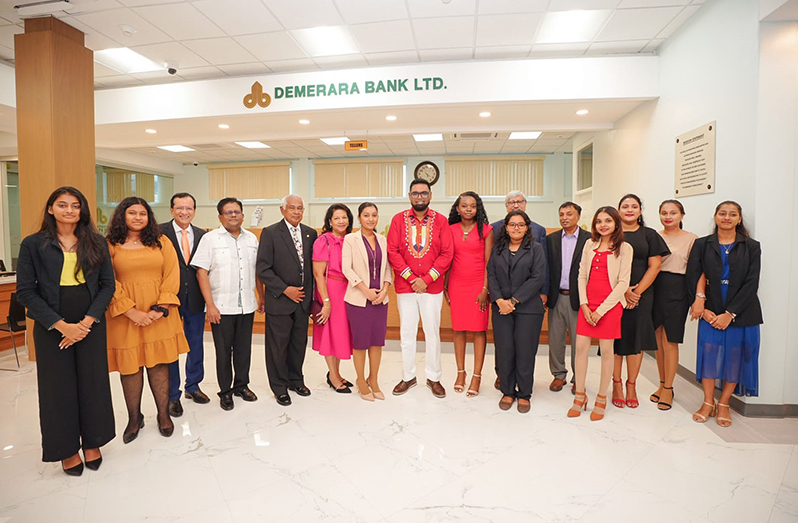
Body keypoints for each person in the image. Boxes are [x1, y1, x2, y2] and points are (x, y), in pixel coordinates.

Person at [17, 187, 116, 476]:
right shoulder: (33, 244)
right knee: (56, 388)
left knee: (93, 383)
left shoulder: (96, 242)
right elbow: (26, 290)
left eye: (75, 205)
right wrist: (62, 326)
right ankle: (66, 449)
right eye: (62, 205)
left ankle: (93, 442)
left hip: (90, 321)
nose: (69, 210)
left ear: (82, 210)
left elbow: (107, 285)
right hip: (51, 323)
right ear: (51, 209)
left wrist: (85, 324)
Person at [105, 197, 189, 444]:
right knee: (130, 368)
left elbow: (172, 274)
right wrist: (131, 311)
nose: (138, 217)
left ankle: (163, 415)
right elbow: (107, 280)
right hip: (124, 316)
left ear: (149, 217)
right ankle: (134, 418)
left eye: (143, 213)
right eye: (132, 213)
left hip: (159, 314)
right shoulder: (111, 244)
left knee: (159, 364)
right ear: (122, 216)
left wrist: (160, 307)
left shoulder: (162, 242)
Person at [687, 201, 762, 428]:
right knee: (709, 355)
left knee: (735, 358)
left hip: (742, 313)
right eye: (722, 213)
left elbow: (752, 283)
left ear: (739, 219)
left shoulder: (751, 246)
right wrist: (703, 306)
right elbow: (692, 276)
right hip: (710, 310)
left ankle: (724, 403)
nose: (726, 217)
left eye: (732, 214)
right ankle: (708, 401)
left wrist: (730, 314)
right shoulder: (702, 244)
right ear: (715, 217)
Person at [192, 197, 264, 411]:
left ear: (242, 215)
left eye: (237, 212)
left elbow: (257, 271)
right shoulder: (210, 239)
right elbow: (201, 272)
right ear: (220, 216)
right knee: (223, 351)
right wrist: (210, 305)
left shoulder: (251, 239)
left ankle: (242, 385)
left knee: (244, 350)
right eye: (229, 212)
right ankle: (225, 391)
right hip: (221, 307)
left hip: (247, 305)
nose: (234, 215)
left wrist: (261, 296)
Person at [387, 179, 453, 398]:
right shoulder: (398, 220)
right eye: (415, 193)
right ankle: (408, 377)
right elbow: (393, 251)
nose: (420, 197)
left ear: (430, 195)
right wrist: (411, 277)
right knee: (407, 333)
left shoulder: (441, 221)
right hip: (405, 288)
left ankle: (434, 378)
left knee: (432, 333)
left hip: (431, 288)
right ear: (409, 196)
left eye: (424, 193)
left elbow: (447, 253)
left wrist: (426, 279)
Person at [568, 206, 633, 422]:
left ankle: (602, 397)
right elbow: (581, 276)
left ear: (616, 223)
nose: (603, 225)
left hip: (610, 306)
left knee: (607, 351)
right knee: (580, 348)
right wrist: (585, 305)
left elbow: (623, 282)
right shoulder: (589, 244)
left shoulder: (625, 248)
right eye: (599, 221)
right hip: (588, 305)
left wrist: (601, 310)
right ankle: (580, 395)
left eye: (608, 221)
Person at [257, 194, 317, 406]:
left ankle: (296, 380)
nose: (296, 212)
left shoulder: (311, 233)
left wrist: (310, 299)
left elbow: (312, 270)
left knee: (298, 345)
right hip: (280, 300)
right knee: (278, 347)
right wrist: (285, 289)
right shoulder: (271, 233)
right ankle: (279, 387)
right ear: (282, 210)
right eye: (292, 208)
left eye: (300, 208)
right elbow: (263, 269)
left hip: (302, 302)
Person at [612, 194, 669, 409]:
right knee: (615, 341)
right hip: (614, 295)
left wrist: (636, 292)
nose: (629, 210)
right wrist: (623, 290)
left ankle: (631, 384)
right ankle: (616, 383)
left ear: (640, 211)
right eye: (625, 206)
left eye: (634, 206)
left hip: (642, 296)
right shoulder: (611, 234)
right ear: (618, 211)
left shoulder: (650, 235)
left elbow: (655, 266)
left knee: (636, 341)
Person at [487, 210, 546, 413]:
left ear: (527, 227)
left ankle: (524, 393)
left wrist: (513, 300)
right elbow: (491, 275)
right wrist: (499, 300)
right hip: (501, 308)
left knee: (525, 351)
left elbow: (538, 278)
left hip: (528, 308)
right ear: (506, 227)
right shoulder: (498, 249)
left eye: (521, 224)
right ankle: (508, 391)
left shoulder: (536, 249)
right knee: (505, 350)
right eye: (512, 224)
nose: (516, 228)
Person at [159, 192, 208, 417]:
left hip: (195, 299)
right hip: (169, 299)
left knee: (195, 344)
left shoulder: (202, 235)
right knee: (170, 347)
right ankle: (172, 395)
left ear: (194, 211)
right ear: (171, 210)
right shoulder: (159, 233)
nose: (184, 212)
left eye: (189, 208)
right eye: (180, 208)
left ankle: (193, 386)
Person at [342, 202, 392, 402]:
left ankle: (374, 379)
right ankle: (361, 380)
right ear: (359, 217)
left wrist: (385, 290)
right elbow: (347, 269)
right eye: (366, 215)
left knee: (377, 342)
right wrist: (366, 291)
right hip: (358, 300)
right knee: (361, 342)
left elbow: (388, 268)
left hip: (381, 299)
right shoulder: (350, 239)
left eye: (374, 215)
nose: (370, 219)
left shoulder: (382, 239)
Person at [650, 200, 697, 411]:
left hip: (678, 289)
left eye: (673, 213)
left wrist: (698, 298)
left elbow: (697, 272)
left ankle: (669, 388)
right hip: (655, 287)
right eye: (664, 213)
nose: (668, 216)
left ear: (682, 215)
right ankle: (661, 384)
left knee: (670, 340)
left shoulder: (691, 239)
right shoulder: (654, 236)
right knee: (658, 341)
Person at [445, 191, 493, 397]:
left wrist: (485, 289)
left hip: (478, 286)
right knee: (458, 329)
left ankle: (477, 375)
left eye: (472, 206)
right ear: (458, 208)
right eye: (464, 205)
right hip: (456, 285)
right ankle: (460, 373)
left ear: (478, 208)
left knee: (479, 330)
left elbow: (489, 263)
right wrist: (445, 287)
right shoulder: (450, 229)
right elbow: (446, 259)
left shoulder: (486, 230)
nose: (468, 209)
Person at [546, 202, 591, 394]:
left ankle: (577, 378)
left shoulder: (590, 239)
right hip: (556, 297)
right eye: (561, 214)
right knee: (555, 339)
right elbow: (546, 269)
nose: (565, 217)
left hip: (579, 299)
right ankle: (558, 375)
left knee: (578, 341)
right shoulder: (551, 239)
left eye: (569, 214)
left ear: (578, 216)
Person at [312, 204, 355, 394]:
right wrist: (326, 301)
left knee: (340, 333)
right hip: (330, 289)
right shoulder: (323, 241)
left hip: (348, 289)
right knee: (330, 333)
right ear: (329, 221)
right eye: (336, 218)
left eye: (344, 217)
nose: (341, 221)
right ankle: (333, 375)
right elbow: (318, 274)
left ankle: (335, 373)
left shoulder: (351, 240)